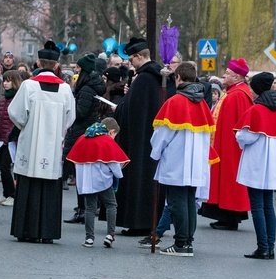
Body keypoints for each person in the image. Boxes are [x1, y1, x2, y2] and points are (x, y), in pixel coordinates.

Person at [8, 41, 76, 243]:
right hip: (53, 145)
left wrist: (26, 127)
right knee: (49, 185)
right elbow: (70, 117)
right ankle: (47, 232)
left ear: (38, 62)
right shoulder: (64, 90)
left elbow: (15, 113)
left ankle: (25, 230)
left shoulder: (29, 85)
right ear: (56, 65)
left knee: (28, 183)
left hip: (31, 143)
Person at [150, 62, 215, 256]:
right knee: (188, 201)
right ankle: (187, 241)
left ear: (178, 78)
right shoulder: (203, 103)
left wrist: (155, 153)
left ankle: (180, 243)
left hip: (176, 162)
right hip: (195, 163)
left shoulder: (174, 102)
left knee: (177, 202)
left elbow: (162, 135)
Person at [235, 72, 276, 260]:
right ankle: (271, 247)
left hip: (257, 164)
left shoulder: (256, 110)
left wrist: (238, 137)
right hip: (273, 166)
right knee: (269, 207)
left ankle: (262, 247)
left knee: (257, 207)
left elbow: (246, 136)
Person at [113, 37, 164, 236]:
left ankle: (138, 222)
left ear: (140, 56)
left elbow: (130, 111)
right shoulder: (158, 77)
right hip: (152, 138)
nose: (129, 63)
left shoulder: (143, 79)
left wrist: (122, 105)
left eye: (131, 59)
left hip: (138, 140)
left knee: (139, 179)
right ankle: (148, 222)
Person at [198, 58, 253, 230]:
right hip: (223, 144)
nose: (224, 75)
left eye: (228, 73)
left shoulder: (238, 95)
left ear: (237, 77)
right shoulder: (232, 92)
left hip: (230, 147)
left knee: (230, 180)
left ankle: (230, 217)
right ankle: (223, 215)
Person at [67, 118, 129, 248]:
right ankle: (110, 235)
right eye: (114, 135)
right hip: (103, 180)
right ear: (111, 131)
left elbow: (76, 160)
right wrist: (118, 174)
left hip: (87, 180)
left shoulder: (83, 138)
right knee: (111, 204)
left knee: (90, 207)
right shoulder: (106, 140)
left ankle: (89, 238)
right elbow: (114, 163)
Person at [63, 53, 106, 223]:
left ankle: (83, 210)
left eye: (78, 68)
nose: (76, 71)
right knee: (82, 174)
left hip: (81, 133)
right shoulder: (90, 87)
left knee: (81, 174)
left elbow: (80, 112)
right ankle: (83, 209)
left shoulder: (87, 89)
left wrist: (69, 106)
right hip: (84, 132)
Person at [0, 70, 23, 206]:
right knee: (2, 168)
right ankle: (6, 193)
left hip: (12, 140)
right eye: (5, 80)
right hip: (1, 139)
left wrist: (11, 136)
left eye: (9, 80)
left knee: (6, 167)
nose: (6, 83)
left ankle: (13, 195)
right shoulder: (3, 98)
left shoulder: (19, 98)